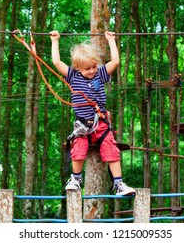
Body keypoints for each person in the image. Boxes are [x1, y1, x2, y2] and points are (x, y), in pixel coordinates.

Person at [50, 30, 136, 196]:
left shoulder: (100, 74)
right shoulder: (73, 77)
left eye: (93, 67)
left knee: (111, 148)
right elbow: (56, 62)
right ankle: (75, 179)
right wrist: (55, 41)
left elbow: (115, 61)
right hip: (82, 124)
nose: (91, 71)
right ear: (78, 68)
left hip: (101, 123)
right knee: (78, 148)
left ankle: (118, 184)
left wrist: (111, 40)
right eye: (87, 69)